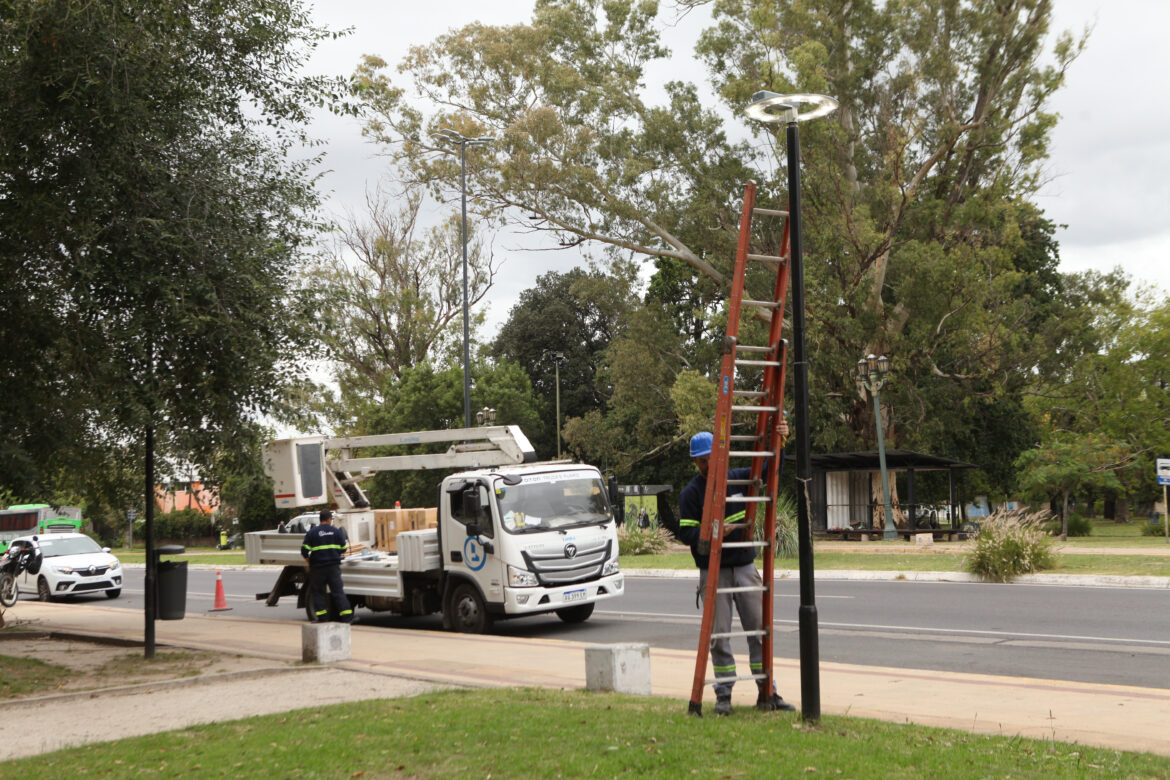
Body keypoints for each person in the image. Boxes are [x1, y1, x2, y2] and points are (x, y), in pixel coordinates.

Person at [678, 422, 796, 716]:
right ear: (695, 462)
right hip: (714, 570)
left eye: (711, 458)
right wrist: (713, 533)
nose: (707, 464)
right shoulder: (691, 493)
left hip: (744, 566)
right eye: (701, 460)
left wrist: (780, 441)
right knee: (719, 636)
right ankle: (724, 695)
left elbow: (769, 472)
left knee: (759, 632)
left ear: (721, 456)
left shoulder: (739, 479)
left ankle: (767, 692)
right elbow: (686, 533)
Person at [300, 509, 353, 623]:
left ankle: (322, 618)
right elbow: (343, 548)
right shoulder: (336, 531)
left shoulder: (312, 532)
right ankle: (347, 618)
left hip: (317, 568)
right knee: (338, 592)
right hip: (333, 568)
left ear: (320, 519)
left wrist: (309, 562)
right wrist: (334, 553)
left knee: (318, 593)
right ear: (329, 519)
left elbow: (304, 551)